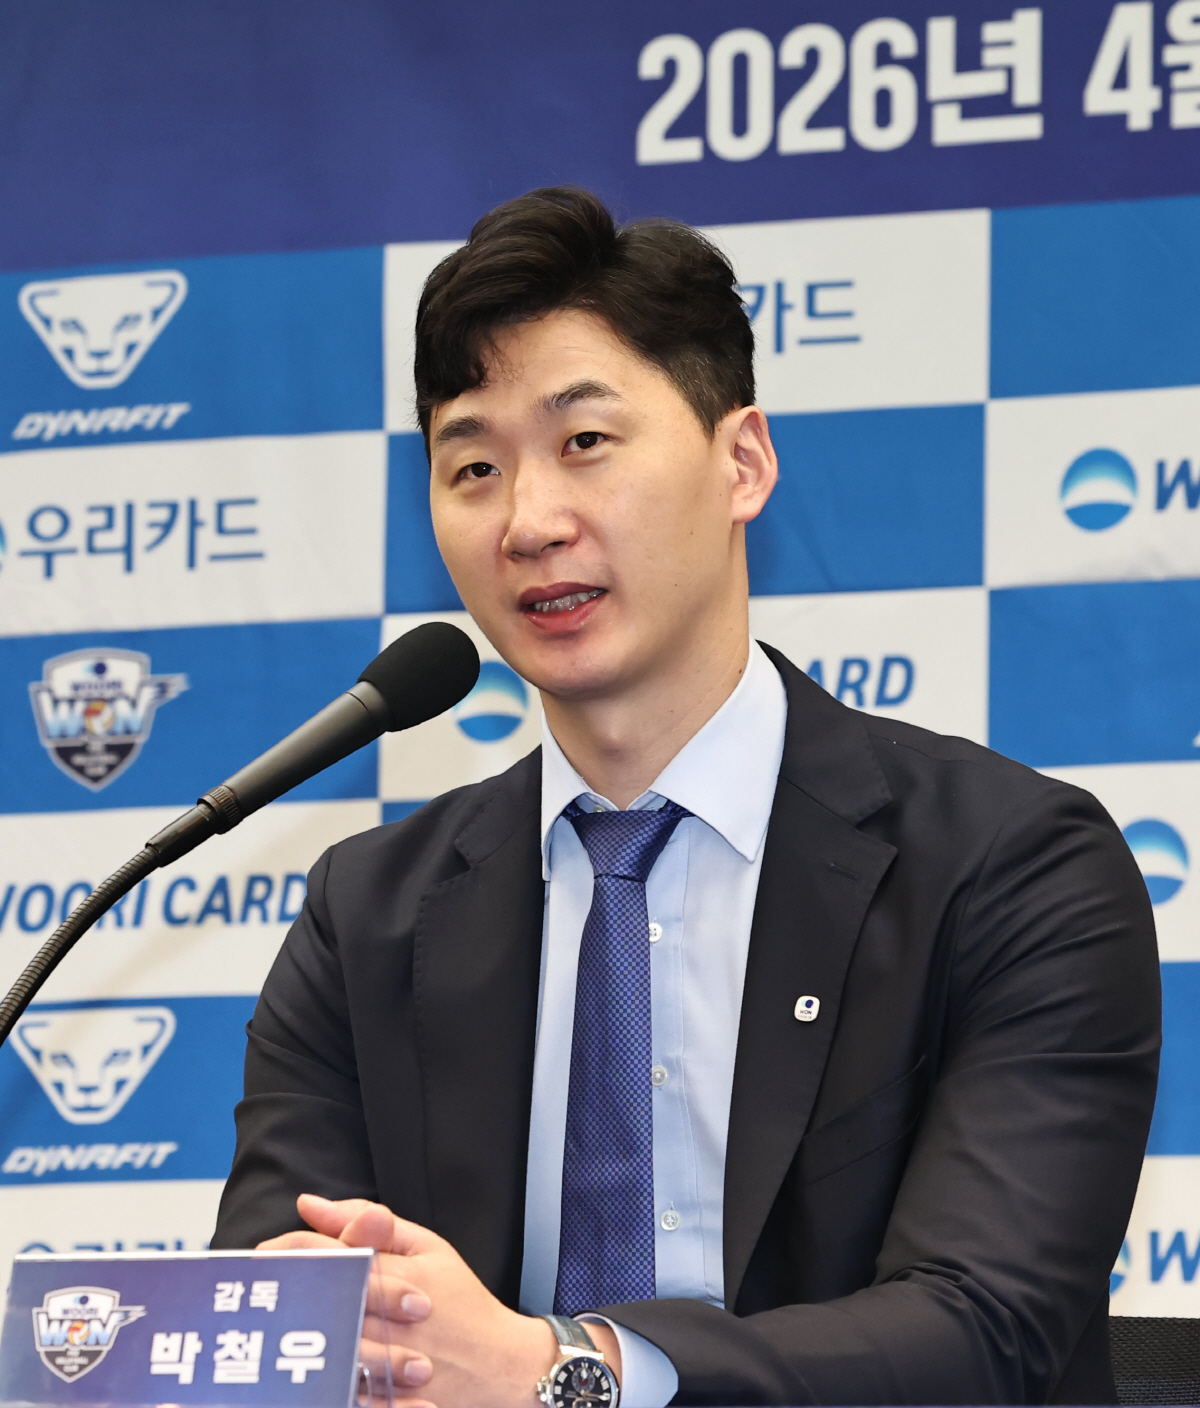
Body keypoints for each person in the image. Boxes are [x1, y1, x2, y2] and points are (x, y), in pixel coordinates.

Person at [211, 187, 1160, 1407]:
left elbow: (985, 1330)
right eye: (474, 466)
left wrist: (568, 1370)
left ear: (742, 462)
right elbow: (276, 1305)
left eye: (585, 443)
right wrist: (309, 1323)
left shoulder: (1011, 865)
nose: (529, 522)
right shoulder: (371, 915)